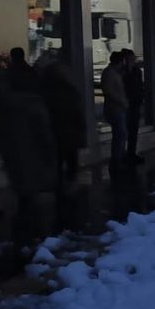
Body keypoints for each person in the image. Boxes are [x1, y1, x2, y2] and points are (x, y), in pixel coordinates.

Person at [0, 50, 56, 247]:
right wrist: (49, 155)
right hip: (32, 156)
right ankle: (32, 237)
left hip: (14, 154)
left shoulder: (6, 104)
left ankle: (23, 236)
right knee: (31, 199)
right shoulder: (34, 104)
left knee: (24, 196)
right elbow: (44, 135)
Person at [38, 56, 86, 202]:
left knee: (58, 163)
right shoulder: (69, 90)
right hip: (69, 134)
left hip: (56, 134)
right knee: (71, 162)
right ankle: (69, 191)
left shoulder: (45, 90)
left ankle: (59, 190)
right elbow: (77, 112)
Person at [100, 50, 128, 178]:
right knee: (119, 135)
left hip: (117, 107)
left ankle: (119, 159)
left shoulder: (112, 73)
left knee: (120, 135)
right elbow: (110, 91)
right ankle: (116, 162)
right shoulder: (110, 74)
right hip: (115, 108)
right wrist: (122, 101)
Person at [122, 49, 145, 166]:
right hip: (125, 103)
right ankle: (123, 155)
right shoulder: (122, 71)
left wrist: (141, 98)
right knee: (124, 130)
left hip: (134, 102)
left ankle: (131, 153)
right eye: (130, 58)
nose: (132, 60)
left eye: (132, 58)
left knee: (133, 130)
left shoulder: (136, 71)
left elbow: (139, 85)